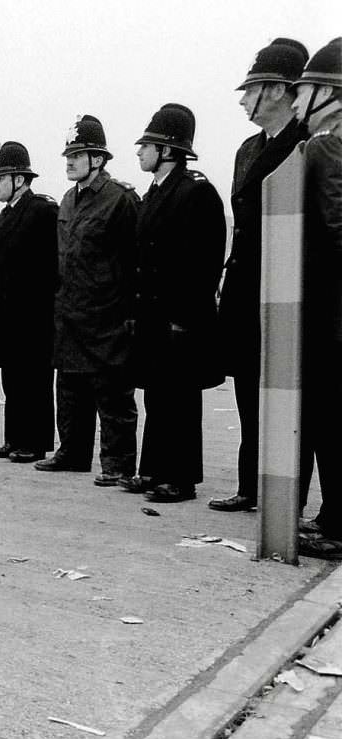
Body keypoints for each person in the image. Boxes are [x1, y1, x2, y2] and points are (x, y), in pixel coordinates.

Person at [212, 38, 312, 513]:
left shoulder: (309, 142)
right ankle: (252, 485)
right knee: (248, 391)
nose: (243, 100)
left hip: (290, 290)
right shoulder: (247, 149)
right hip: (245, 289)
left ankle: (290, 497)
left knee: (297, 406)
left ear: (276, 89)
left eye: (249, 89)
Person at [127, 104, 227, 503]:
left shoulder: (196, 191)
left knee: (181, 400)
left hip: (180, 317)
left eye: (146, 145)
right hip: (153, 315)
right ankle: (153, 469)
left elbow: (205, 261)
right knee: (157, 394)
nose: (139, 152)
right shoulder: (155, 194)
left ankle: (180, 478)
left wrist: (185, 317)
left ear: (168, 150)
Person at [36, 115, 141, 487]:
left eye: (77, 154)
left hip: (107, 315)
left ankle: (117, 463)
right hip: (70, 312)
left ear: (98, 159)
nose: (69, 161)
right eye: (68, 154)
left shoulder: (121, 200)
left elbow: (134, 262)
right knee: (70, 388)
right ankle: (73, 452)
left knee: (111, 394)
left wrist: (128, 313)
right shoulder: (68, 200)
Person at [293, 39, 342, 559]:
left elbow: (335, 233)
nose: (297, 96)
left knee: (329, 423)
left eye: (304, 88)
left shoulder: (327, 147)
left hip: (330, 318)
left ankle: (336, 525)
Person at [0, 142, 59, 463]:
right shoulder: (7, 214)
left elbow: (52, 263)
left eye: (1, 177)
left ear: (19, 178)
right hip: (9, 312)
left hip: (35, 313)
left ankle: (36, 441)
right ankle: (15, 436)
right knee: (13, 379)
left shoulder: (42, 210)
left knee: (35, 380)